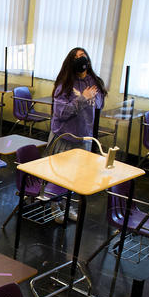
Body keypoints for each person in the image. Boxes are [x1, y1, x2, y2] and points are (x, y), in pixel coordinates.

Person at [48, 47, 107, 223]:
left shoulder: (94, 82)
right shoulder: (64, 84)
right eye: (76, 57)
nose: (80, 59)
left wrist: (94, 96)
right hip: (64, 137)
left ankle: (67, 205)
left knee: (74, 176)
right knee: (58, 175)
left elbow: (98, 106)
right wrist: (82, 98)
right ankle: (54, 205)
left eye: (82, 56)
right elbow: (61, 112)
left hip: (84, 137)